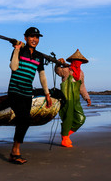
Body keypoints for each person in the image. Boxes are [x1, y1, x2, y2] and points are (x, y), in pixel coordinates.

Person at [7, 27, 52, 164]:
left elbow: (42, 76)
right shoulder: (19, 50)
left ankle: (15, 150)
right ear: (25, 38)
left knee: (25, 120)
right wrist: (16, 49)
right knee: (24, 119)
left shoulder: (39, 56)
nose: (35, 39)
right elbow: (13, 67)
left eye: (37, 37)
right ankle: (15, 152)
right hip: (15, 91)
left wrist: (47, 94)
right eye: (32, 36)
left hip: (27, 93)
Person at [55, 49, 91, 148]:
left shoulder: (81, 73)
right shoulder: (66, 70)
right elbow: (57, 71)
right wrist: (58, 63)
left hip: (76, 99)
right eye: (76, 61)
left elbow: (82, 87)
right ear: (72, 61)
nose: (78, 63)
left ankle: (65, 134)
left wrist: (86, 97)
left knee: (81, 118)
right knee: (68, 118)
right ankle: (65, 138)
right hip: (66, 98)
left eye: (80, 61)